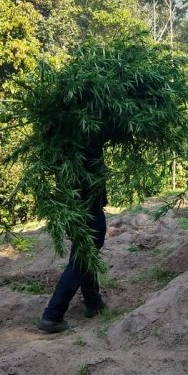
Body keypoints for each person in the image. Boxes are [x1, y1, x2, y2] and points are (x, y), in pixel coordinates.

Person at [38, 142, 108, 333]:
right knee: (84, 255)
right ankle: (53, 315)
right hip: (87, 206)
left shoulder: (62, 133)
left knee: (84, 250)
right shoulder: (84, 134)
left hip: (73, 205)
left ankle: (94, 302)